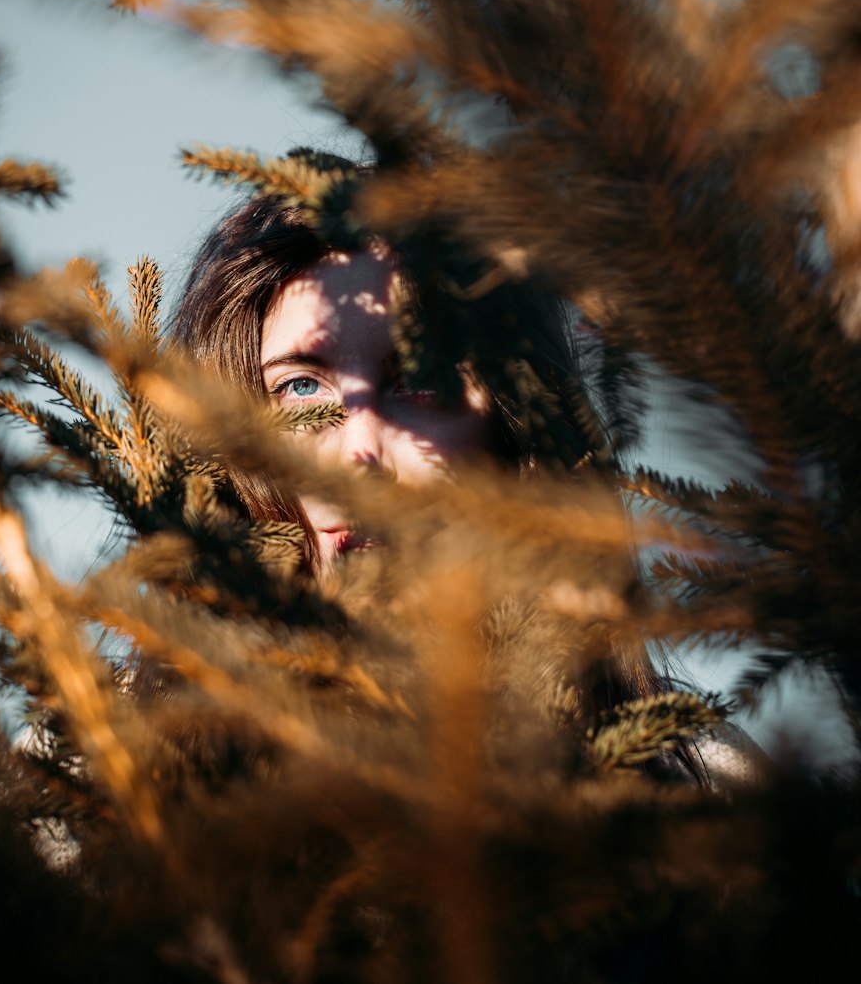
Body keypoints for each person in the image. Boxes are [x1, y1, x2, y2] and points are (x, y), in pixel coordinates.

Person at [172, 161, 729, 784]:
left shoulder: (710, 794)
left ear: (515, 428)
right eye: (301, 388)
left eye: (418, 379)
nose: (359, 453)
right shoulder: (107, 770)